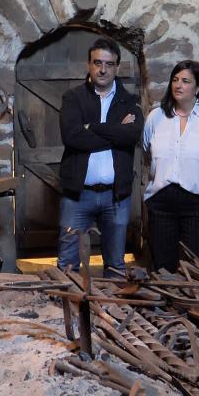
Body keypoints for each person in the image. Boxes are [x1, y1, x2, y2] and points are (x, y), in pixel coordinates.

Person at [57, 37, 143, 276]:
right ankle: (66, 310)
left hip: (116, 196)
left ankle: (111, 310)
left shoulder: (129, 100)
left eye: (109, 64)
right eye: (97, 62)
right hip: (78, 194)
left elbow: (132, 135)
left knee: (116, 264)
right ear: (89, 65)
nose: (102, 69)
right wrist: (117, 129)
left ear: (116, 67)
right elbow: (73, 138)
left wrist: (93, 127)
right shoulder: (73, 98)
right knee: (68, 263)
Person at [142, 60, 199, 270]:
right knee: (162, 267)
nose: (178, 85)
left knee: (196, 266)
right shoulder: (156, 116)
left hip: (197, 201)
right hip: (161, 200)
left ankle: (195, 303)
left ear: (198, 87)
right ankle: (165, 302)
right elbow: (147, 153)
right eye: (175, 80)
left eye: (185, 81)